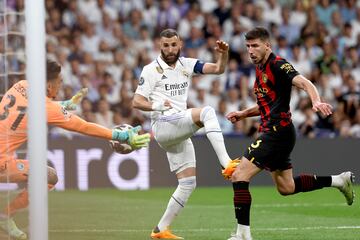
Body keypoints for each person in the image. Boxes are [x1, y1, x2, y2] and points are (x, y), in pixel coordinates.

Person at [223, 27, 355, 240]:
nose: (251, 50)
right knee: (286, 187)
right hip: (278, 132)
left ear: (268, 46)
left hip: (276, 132)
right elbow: (266, 104)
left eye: (255, 45)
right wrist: (243, 113)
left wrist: (316, 100)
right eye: (248, 46)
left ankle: (243, 235)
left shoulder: (277, 64)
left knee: (239, 175)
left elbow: (304, 82)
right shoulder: (260, 67)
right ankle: (339, 180)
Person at [0, 59, 150, 239]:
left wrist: (66, 104)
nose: (61, 85)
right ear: (49, 85)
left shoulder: (21, 85)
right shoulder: (46, 107)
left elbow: (29, 107)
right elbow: (83, 127)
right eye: (60, 82)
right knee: (49, 177)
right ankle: (5, 216)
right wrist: (118, 135)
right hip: (1, 162)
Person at [133, 28, 233, 239]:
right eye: (166, 45)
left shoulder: (187, 64)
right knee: (206, 112)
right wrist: (156, 105)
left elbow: (218, 69)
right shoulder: (150, 70)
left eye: (173, 45)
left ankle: (160, 230)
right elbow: (137, 101)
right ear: (159, 46)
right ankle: (226, 163)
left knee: (188, 183)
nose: (170, 49)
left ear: (180, 45)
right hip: (163, 125)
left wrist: (223, 54)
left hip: (177, 130)